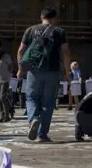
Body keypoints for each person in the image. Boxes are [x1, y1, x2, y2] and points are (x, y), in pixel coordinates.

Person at [18, 8, 71, 142]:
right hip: (53, 70)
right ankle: (42, 134)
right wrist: (67, 72)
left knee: (31, 97)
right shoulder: (60, 32)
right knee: (48, 102)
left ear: (41, 17)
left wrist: (20, 69)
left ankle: (33, 119)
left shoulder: (30, 30)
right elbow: (65, 53)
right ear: (54, 18)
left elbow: (21, 51)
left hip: (34, 70)